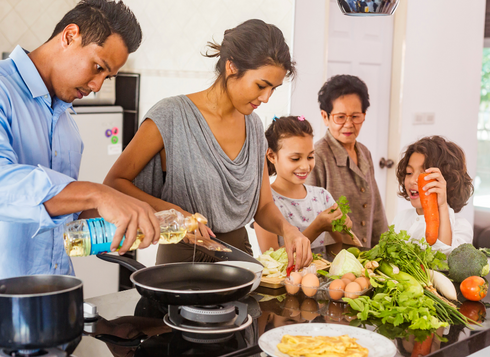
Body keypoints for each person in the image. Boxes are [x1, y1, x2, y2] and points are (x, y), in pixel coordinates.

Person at [0, 0, 161, 330]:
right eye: (98, 67)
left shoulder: (68, 125)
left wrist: (126, 218)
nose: (97, 84)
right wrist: (99, 195)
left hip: (51, 313)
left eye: (108, 76)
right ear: (70, 36)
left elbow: (59, 212)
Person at [103, 19, 312, 269]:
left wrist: (287, 229)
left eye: (273, 89)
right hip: (182, 259)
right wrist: (174, 212)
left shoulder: (254, 127)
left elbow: (263, 205)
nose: (266, 98)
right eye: (261, 85)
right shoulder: (172, 116)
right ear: (231, 66)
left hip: (239, 260)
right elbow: (114, 183)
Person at [253, 116, 357, 260]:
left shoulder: (322, 196)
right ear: (271, 156)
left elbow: (344, 250)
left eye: (310, 157)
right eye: (295, 159)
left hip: (323, 279)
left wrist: (346, 230)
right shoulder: (266, 204)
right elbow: (272, 260)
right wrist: (317, 227)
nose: (305, 166)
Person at [306, 74, 388, 248]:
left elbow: (376, 210)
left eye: (355, 116)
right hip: (331, 259)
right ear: (325, 117)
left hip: (365, 257)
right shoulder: (317, 155)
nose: (349, 124)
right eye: (340, 117)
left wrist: (383, 249)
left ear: (364, 115)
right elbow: (307, 215)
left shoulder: (364, 152)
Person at [393, 136, 474, 254]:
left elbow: (444, 261)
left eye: (423, 175)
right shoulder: (401, 218)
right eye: (409, 173)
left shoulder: (461, 227)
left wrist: (442, 206)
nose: (412, 181)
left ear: (447, 183)